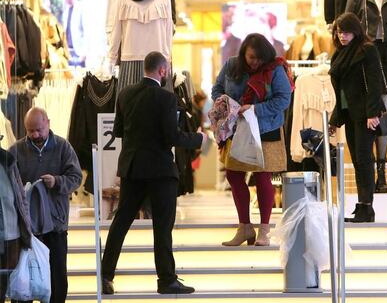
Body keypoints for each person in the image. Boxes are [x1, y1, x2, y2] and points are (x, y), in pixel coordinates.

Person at [101, 51, 207, 295]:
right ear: (163, 71)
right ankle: (166, 280)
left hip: (132, 168)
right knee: (162, 227)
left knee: (120, 223)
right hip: (160, 171)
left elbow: (118, 132)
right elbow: (172, 137)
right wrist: (199, 138)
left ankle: (106, 276)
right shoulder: (166, 98)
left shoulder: (125, 94)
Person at [211, 33, 292, 246]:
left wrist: (256, 109)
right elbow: (216, 89)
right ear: (243, 54)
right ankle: (245, 227)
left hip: (266, 128)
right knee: (233, 175)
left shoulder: (275, 70)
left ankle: (264, 230)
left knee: (263, 177)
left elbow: (283, 99)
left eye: (259, 58)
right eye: (251, 57)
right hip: (236, 129)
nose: (255, 62)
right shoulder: (231, 66)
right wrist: (227, 105)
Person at [9, 107, 82, 302]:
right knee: (24, 277)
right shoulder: (15, 151)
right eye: (30, 131)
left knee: (57, 277)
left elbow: (76, 177)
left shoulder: (63, 147)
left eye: (39, 130)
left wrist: (57, 182)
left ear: (48, 123)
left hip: (55, 224)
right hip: (25, 226)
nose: (35, 135)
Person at [346, 0, 387, 193]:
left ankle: (381, 169)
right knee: (366, 109)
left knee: (384, 110)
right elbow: (347, 24)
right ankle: (368, 168)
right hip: (364, 53)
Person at [328, 12, 384, 222]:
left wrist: (372, 113)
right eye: (340, 31)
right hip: (349, 113)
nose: (343, 36)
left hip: (365, 114)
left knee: (364, 159)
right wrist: (335, 119)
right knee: (358, 161)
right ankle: (362, 206)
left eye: (347, 31)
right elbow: (341, 91)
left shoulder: (366, 50)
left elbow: (375, 82)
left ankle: (367, 208)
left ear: (356, 31)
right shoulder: (339, 54)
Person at [0, 146, 32, 303]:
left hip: (11, 235)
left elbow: (20, 197)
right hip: (8, 235)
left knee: (13, 287)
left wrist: (26, 226)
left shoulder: (7, 160)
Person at [61, 0, 86, 67]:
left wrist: (84, 52)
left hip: (79, 52)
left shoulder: (81, 8)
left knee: (80, 77)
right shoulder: (66, 10)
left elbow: (86, 32)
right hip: (68, 51)